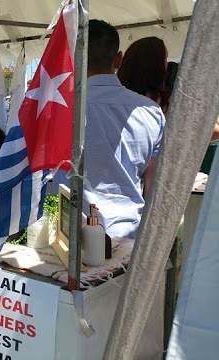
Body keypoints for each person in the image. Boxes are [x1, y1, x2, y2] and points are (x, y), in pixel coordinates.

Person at [53, 20, 166, 239]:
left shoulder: (60, 109)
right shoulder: (151, 111)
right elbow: (153, 185)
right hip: (129, 231)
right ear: (118, 59)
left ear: (74, 58)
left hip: (71, 235)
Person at [117, 36, 168, 105]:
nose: (167, 64)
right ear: (156, 65)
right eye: (165, 59)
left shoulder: (115, 97)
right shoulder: (151, 103)